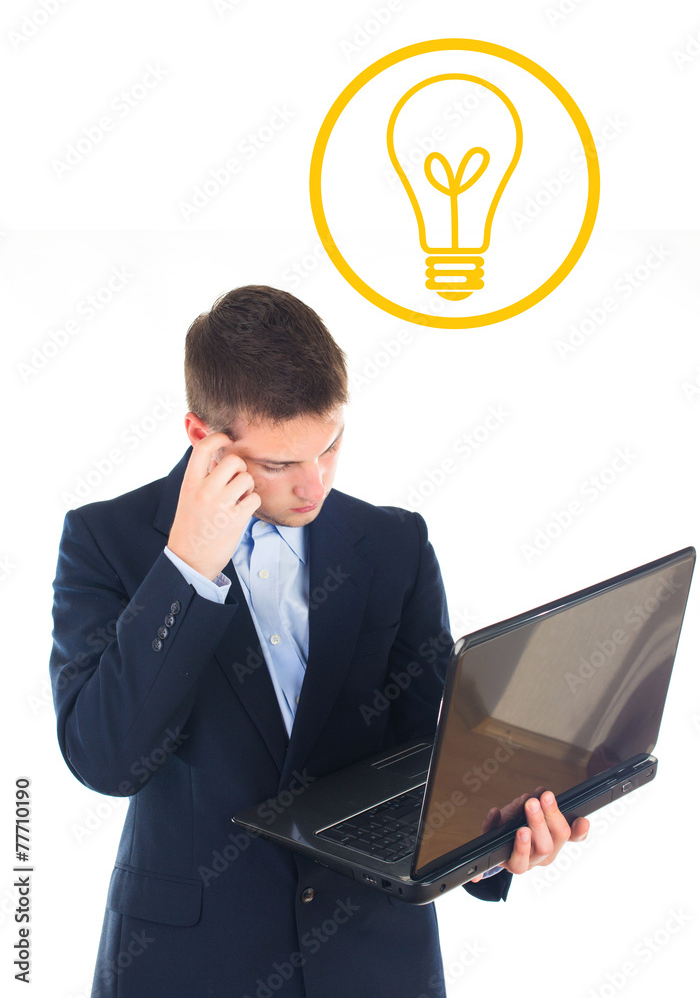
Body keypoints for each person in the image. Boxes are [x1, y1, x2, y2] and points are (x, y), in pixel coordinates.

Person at [50, 285, 589, 998]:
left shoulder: (394, 544)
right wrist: (185, 571)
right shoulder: (106, 541)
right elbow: (105, 760)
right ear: (201, 434)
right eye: (279, 464)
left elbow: (429, 762)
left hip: (373, 961)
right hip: (189, 966)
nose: (315, 484)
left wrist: (491, 843)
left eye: (330, 444)